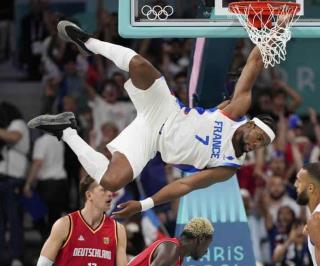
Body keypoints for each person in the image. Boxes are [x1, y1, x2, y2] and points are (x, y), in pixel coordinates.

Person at [28, 20, 277, 218]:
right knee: (139, 64)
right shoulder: (236, 111)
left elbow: (185, 186)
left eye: (261, 145)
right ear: (252, 124)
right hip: (165, 109)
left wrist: (144, 205)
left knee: (112, 181)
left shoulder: (229, 166)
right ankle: (88, 42)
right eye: (259, 137)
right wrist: (273, 30)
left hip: (150, 142)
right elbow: (254, 63)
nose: (256, 145)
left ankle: (66, 130)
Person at [27, 175, 127, 266]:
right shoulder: (65, 224)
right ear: (89, 195)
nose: (110, 193)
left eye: (110, 190)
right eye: (103, 190)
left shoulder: (118, 230)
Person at [0, 101, 30, 266]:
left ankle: (16, 256)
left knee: (14, 220)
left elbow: (13, 137)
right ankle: (3, 257)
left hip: (14, 180)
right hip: (3, 179)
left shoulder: (17, 123)